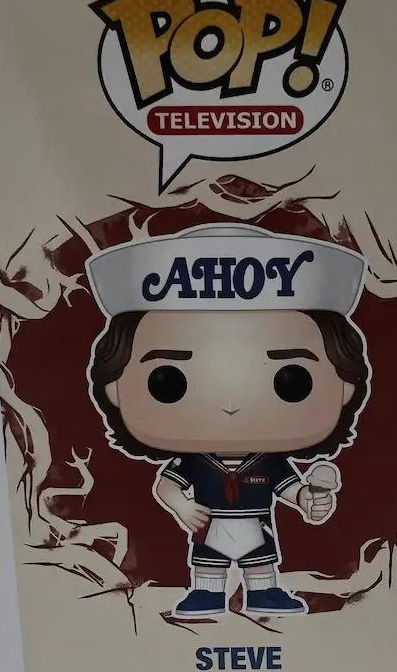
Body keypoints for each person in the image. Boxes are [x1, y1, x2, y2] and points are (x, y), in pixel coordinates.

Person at [86, 224, 371, 617]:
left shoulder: (270, 462)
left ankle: (265, 593)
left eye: (291, 380)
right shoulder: (194, 462)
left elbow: (289, 489)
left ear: (345, 387)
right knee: (208, 563)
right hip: (211, 524)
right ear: (116, 388)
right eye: (168, 381)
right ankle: (206, 594)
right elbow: (166, 486)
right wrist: (182, 508)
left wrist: (308, 499)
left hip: (256, 525)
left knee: (261, 562)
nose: (231, 405)